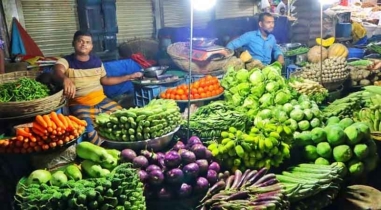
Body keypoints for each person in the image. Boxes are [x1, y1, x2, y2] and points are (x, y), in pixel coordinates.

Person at [54, 30, 143, 145]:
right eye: (80, 41)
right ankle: (103, 150)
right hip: (80, 103)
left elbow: (105, 80)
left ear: (91, 46)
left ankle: (121, 146)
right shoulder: (66, 61)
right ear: (73, 43)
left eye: (87, 42)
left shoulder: (96, 61)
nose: (84, 44)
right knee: (89, 131)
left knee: (124, 118)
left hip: (101, 100)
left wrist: (129, 76)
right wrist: (65, 79)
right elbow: (57, 70)